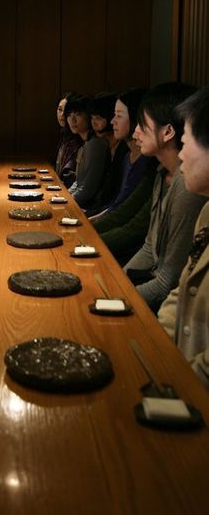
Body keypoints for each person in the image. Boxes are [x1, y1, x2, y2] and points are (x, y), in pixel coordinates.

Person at [124, 82, 206, 312]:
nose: (135, 132)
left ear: (168, 132)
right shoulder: (161, 173)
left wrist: (117, 298)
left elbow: (167, 282)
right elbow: (150, 248)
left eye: (142, 124)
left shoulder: (187, 187)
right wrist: (116, 287)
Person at [158, 87, 209, 389]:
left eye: (186, 142)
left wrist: (178, 384)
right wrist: (155, 352)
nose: (180, 154)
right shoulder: (206, 212)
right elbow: (180, 291)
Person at [89, 88, 149, 222]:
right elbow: (115, 203)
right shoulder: (126, 156)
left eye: (119, 115)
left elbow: (125, 212)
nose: (112, 121)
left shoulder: (146, 162)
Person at [87, 92, 128, 214]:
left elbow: (117, 199)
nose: (94, 123)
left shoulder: (123, 150)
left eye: (98, 118)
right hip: (99, 209)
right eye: (92, 118)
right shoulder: (103, 146)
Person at [66, 94, 108, 208]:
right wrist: (64, 196)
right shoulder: (86, 142)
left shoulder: (95, 144)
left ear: (88, 116)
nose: (72, 120)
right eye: (69, 115)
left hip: (90, 206)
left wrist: (66, 202)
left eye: (78, 114)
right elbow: (78, 183)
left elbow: (88, 189)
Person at [54, 92, 82, 187]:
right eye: (59, 109)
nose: (62, 114)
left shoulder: (78, 138)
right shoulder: (65, 135)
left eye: (66, 111)